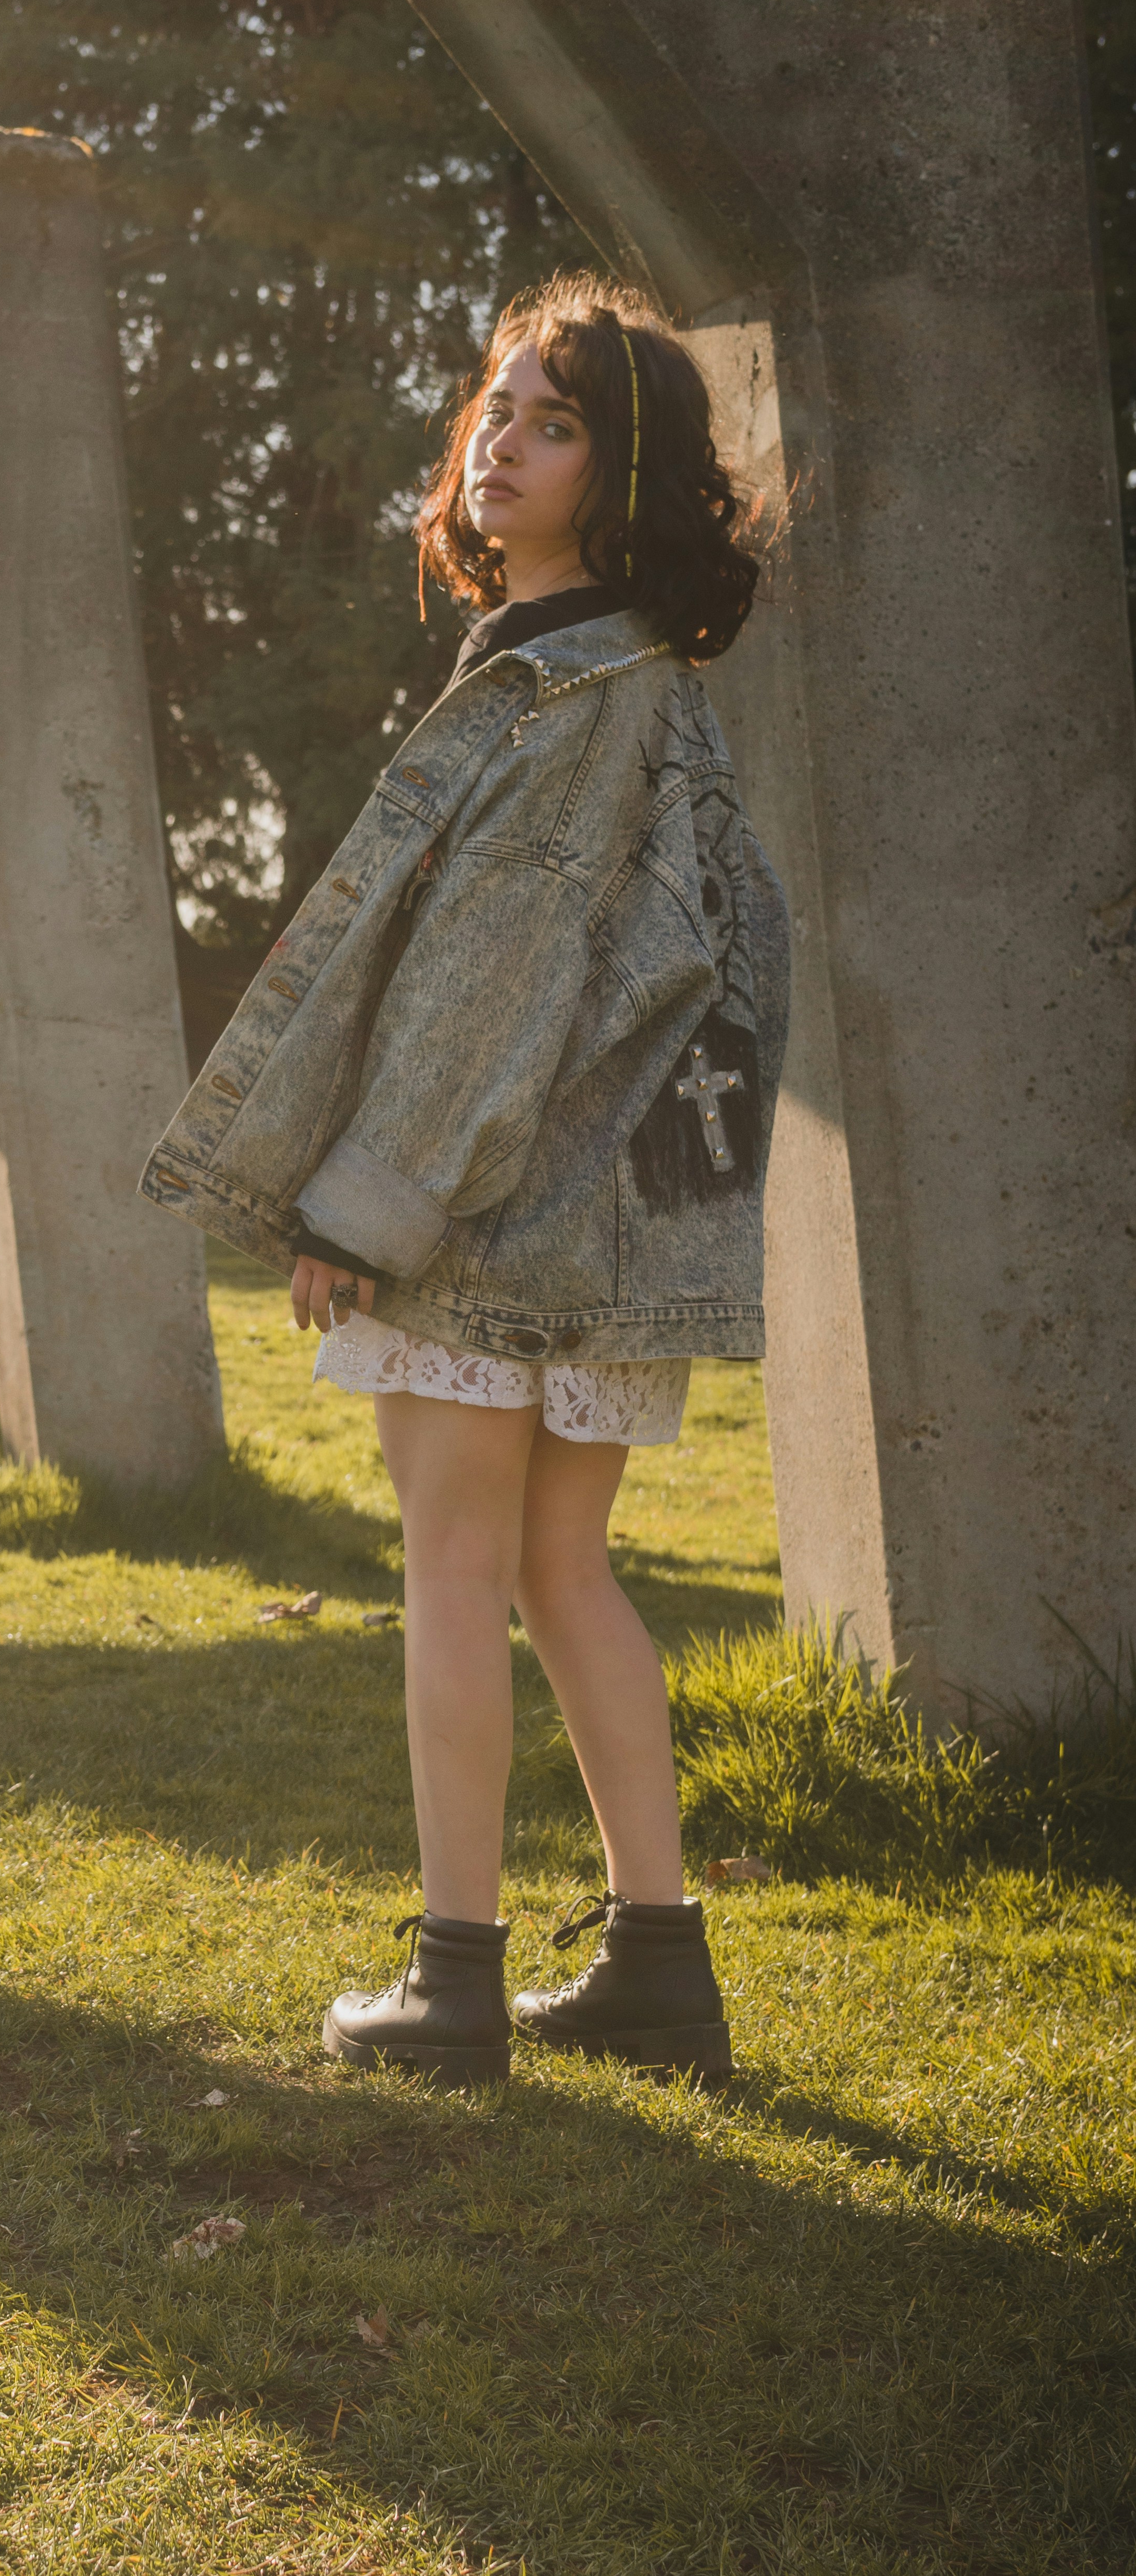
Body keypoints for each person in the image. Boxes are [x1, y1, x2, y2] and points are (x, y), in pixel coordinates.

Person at [141, 271, 786, 2088]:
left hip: (499, 1199)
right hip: (605, 1205)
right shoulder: (639, 689)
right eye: (497, 408)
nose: (504, 443)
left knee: (455, 1564)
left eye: (557, 419)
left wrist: (369, 1206)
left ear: (625, 468)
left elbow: (493, 977)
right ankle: (662, 1966)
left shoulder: (559, 695)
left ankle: (454, 1980)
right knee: (562, 1570)